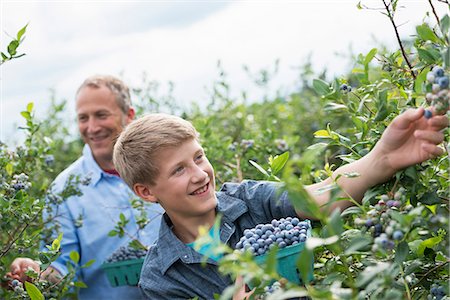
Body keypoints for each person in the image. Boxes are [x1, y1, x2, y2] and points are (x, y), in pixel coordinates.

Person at [112, 108, 448, 299]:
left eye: (199, 158)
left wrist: (383, 157)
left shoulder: (248, 200)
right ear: (147, 192)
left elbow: (322, 196)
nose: (200, 174)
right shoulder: (161, 279)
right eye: (179, 170)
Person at [7, 75, 164, 299]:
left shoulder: (162, 168)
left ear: (129, 115)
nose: (92, 127)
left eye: (101, 115)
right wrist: (36, 273)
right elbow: (62, 270)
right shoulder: (63, 191)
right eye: (83, 118)